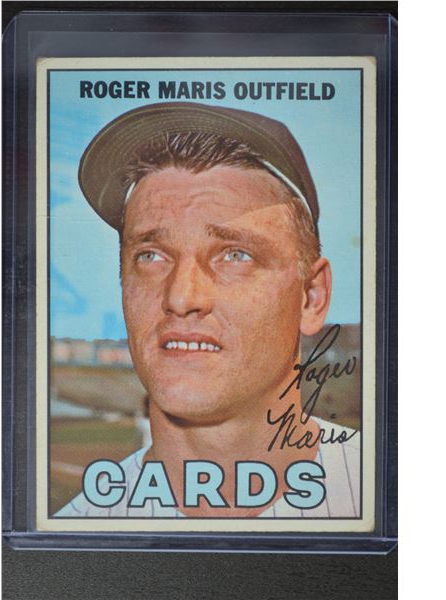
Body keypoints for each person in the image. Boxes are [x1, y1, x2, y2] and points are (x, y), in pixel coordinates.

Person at [55, 102, 360, 519]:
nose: (181, 297)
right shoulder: (81, 530)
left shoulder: (382, 496)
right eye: (151, 256)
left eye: (235, 255)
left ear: (311, 297)